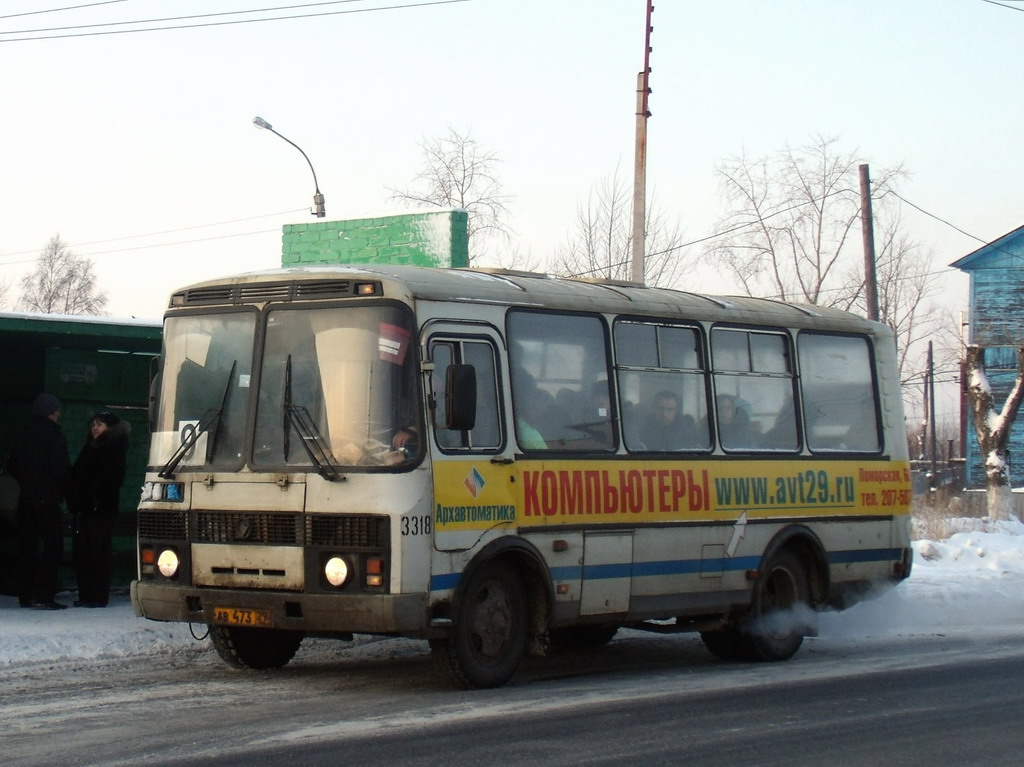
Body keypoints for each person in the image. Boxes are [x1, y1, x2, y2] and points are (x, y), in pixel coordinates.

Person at [8, 393, 72, 610]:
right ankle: (44, 594)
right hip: (47, 499)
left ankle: (24, 594)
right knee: (53, 546)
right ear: (51, 412)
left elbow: (12, 465)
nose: (58, 414)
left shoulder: (24, 434)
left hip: (26, 499)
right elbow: (60, 469)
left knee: (27, 547)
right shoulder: (55, 436)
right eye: (56, 410)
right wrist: (60, 490)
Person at [69, 412, 130, 608]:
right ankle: (87, 594)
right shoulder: (90, 447)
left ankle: (97, 595)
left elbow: (111, 479)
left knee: (98, 552)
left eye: (100, 424)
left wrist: (95, 494)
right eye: (94, 424)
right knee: (85, 552)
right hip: (86, 508)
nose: (95, 428)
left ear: (109, 428)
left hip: (100, 508)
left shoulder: (112, 448)